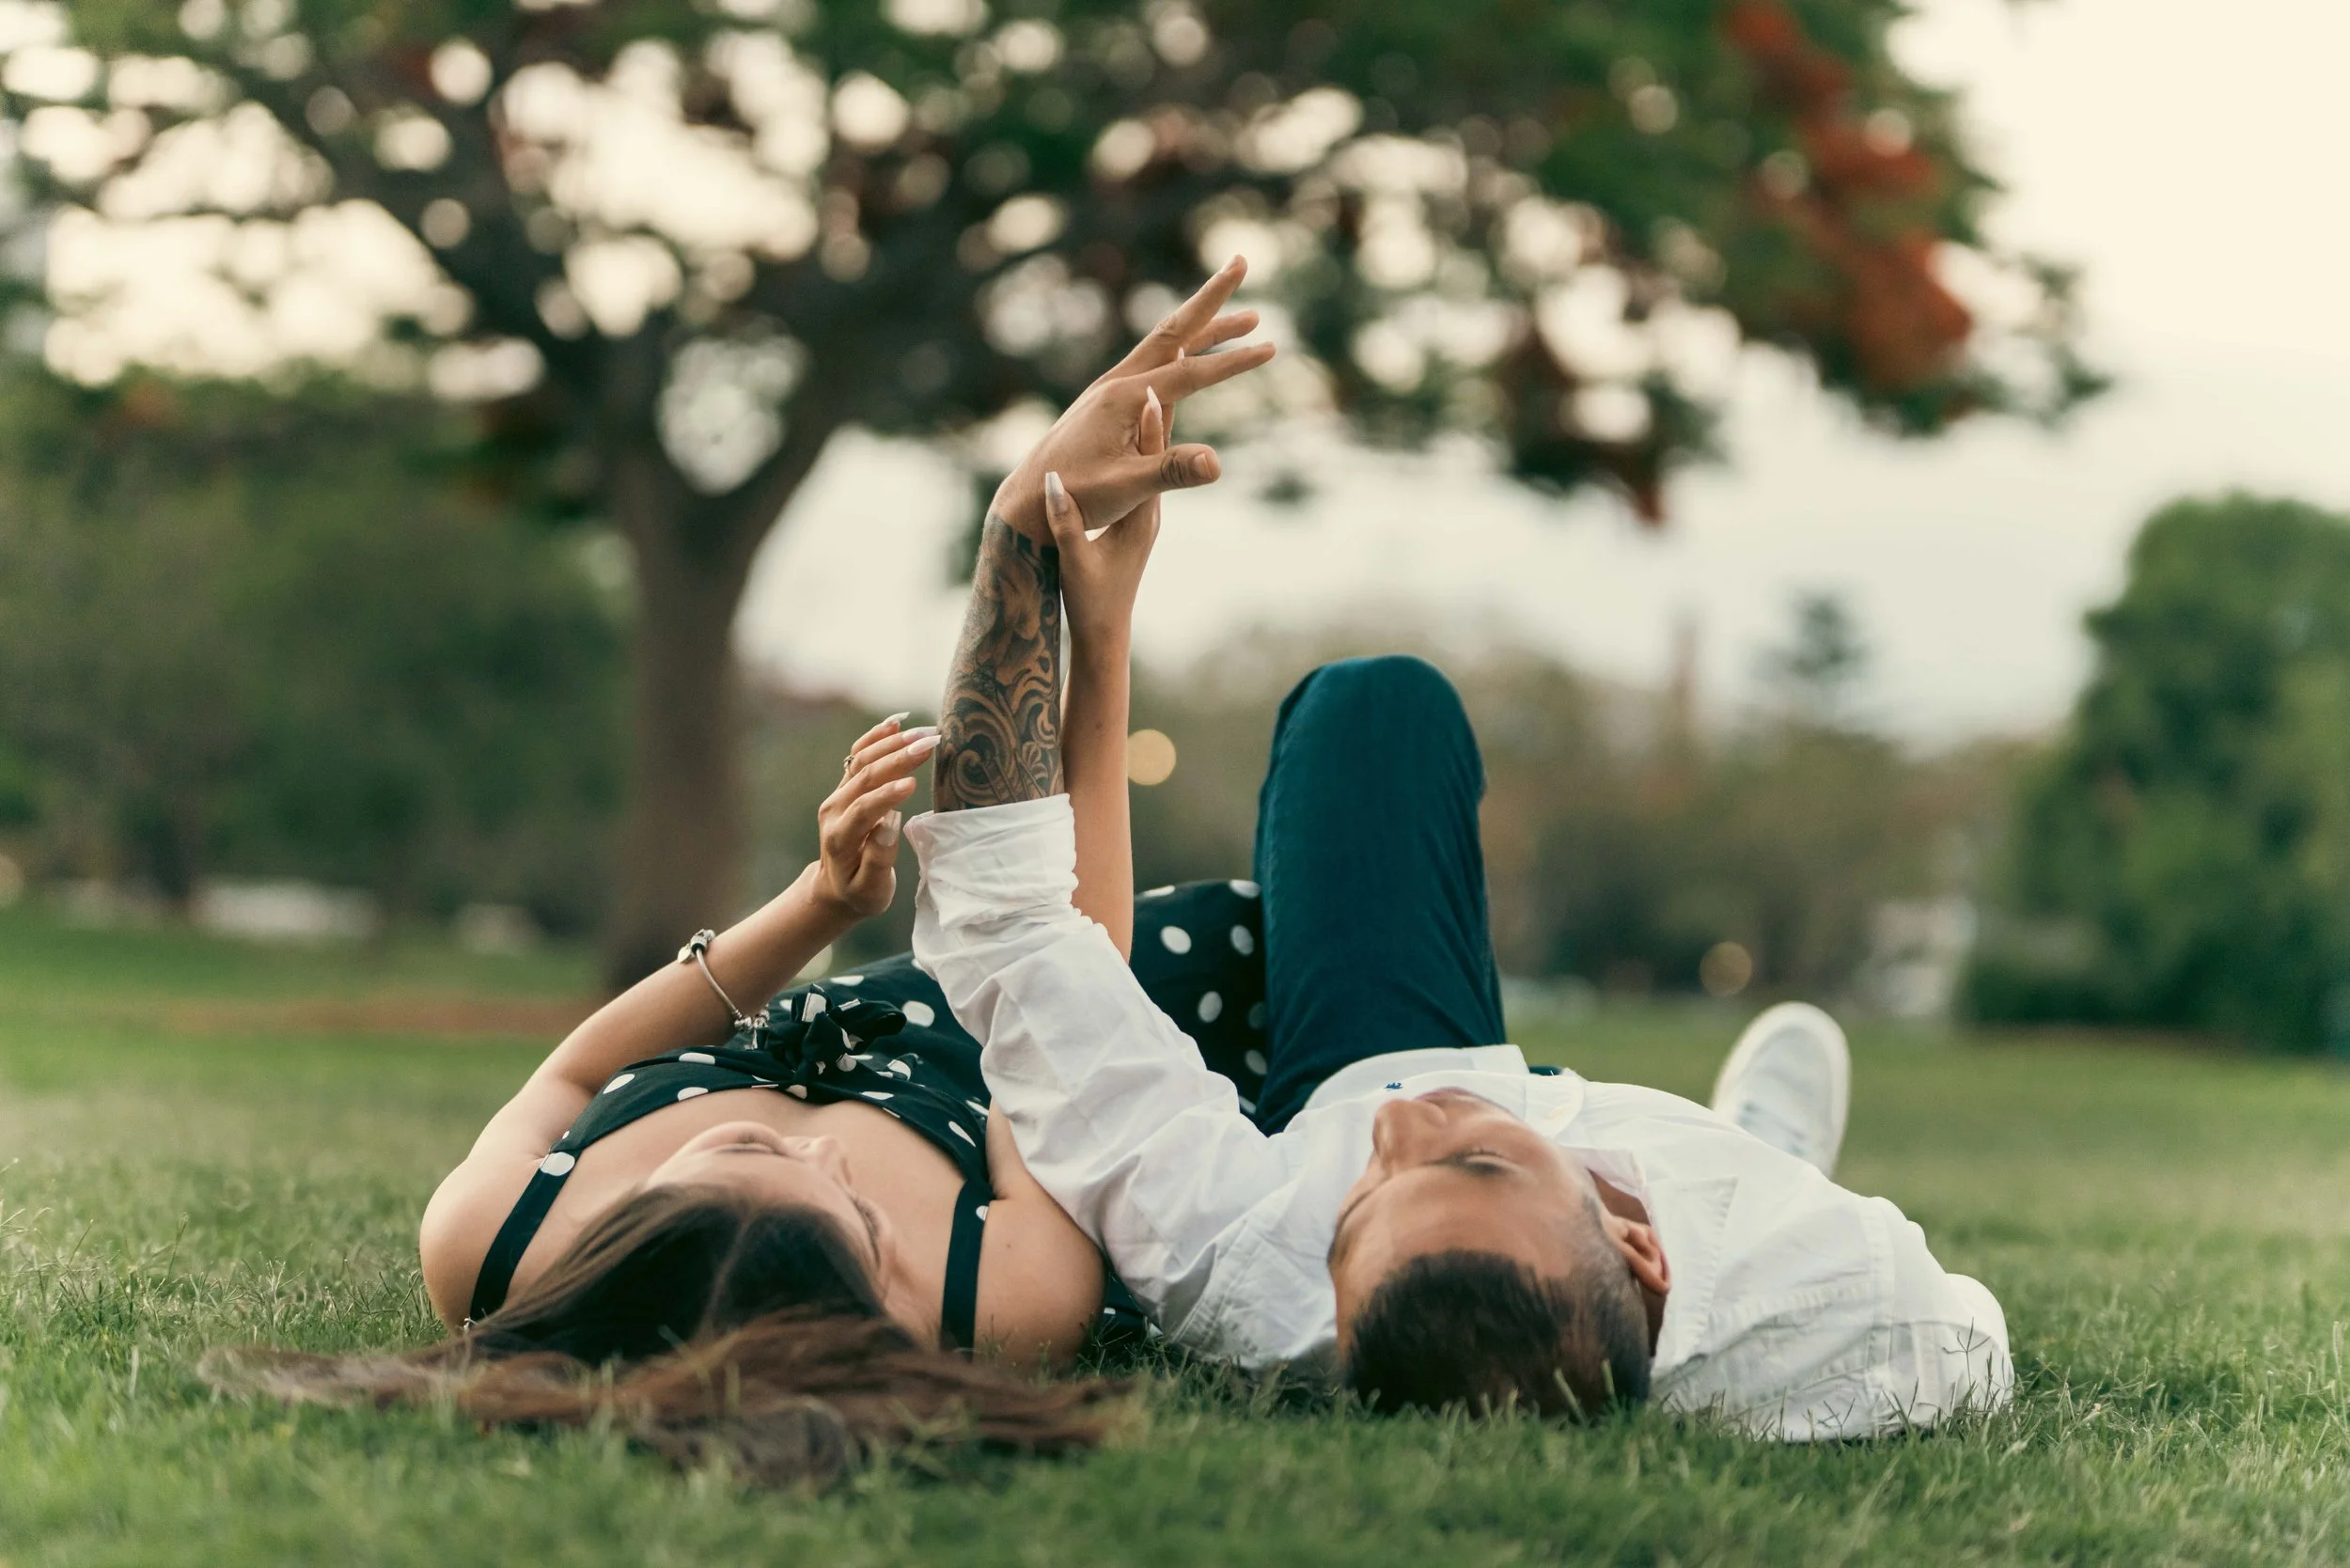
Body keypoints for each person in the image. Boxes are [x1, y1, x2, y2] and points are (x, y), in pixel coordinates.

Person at [208, 261, 1282, 1484]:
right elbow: (1072, 1005)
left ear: (621, 1240)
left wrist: (819, 906)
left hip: (939, 987)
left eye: (745, 1154)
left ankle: (1018, 528)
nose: (817, 1149)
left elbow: (575, 1065)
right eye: (859, 1221)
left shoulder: (493, 1241)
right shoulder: (1003, 1299)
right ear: (879, 1302)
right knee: (1259, 949)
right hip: (1036, 1039)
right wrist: (1105, 636)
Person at [907, 478, 2015, 1435]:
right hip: (1735, 1207)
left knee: (1374, 709)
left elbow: (1010, 927)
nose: (1396, 1134)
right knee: (1765, 1182)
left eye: (1352, 1204)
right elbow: (1973, 1341)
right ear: (1639, 1248)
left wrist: (1017, 534)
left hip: (1380, 1047)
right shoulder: (1852, 1292)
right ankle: (1765, 1145)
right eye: (1473, 1163)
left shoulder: (1252, 1264)